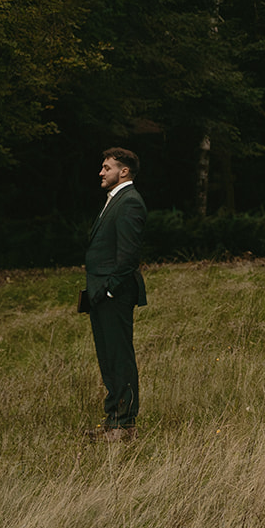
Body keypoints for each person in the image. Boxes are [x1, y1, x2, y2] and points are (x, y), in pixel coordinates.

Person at [85, 147, 148, 440]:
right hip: (101, 292)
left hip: (114, 293)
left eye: (106, 167)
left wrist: (109, 290)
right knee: (108, 356)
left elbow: (128, 255)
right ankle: (114, 422)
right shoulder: (115, 200)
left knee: (119, 356)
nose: (101, 172)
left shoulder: (130, 202)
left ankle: (124, 425)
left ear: (123, 172)